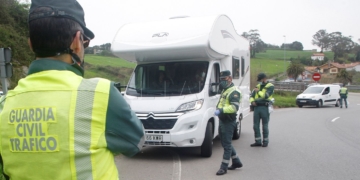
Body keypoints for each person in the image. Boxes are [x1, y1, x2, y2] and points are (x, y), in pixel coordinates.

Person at [0, 0, 145, 179]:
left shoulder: (4, 104)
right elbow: (135, 143)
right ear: (77, 41)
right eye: (85, 43)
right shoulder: (100, 94)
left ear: (30, 44)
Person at [214, 70, 243, 176]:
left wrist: (221, 110)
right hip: (222, 120)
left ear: (230, 78)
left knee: (226, 145)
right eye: (221, 79)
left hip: (228, 121)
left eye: (224, 79)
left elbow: (234, 108)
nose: (222, 82)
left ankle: (224, 167)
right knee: (225, 142)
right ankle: (237, 162)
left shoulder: (234, 92)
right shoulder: (225, 90)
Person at [250, 73, 274, 147]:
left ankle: (265, 141)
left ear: (264, 79)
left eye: (260, 80)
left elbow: (266, 96)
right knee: (255, 126)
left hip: (265, 107)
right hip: (256, 107)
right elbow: (251, 96)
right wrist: (252, 101)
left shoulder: (270, 86)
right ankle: (258, 141)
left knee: (265, 125)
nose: (259, 82)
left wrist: (258, 91)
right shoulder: (258, 86)